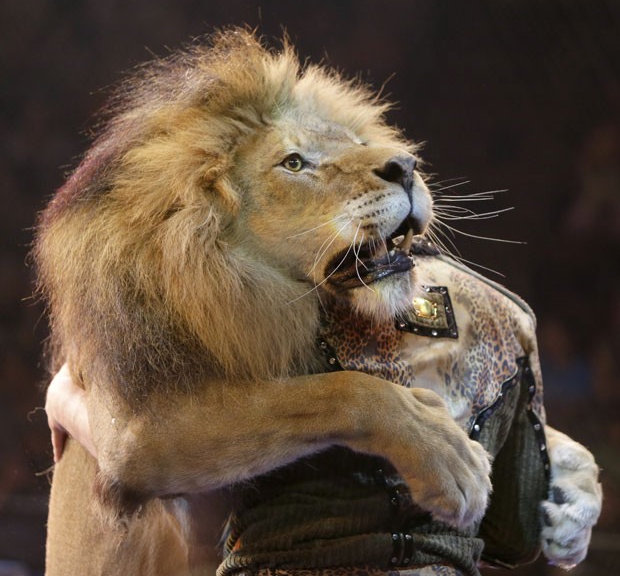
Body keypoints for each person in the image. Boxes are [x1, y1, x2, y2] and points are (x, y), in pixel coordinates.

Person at [45, 242, 603, 575]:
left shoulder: (266, 316)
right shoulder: (504, 315)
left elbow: (142, 454)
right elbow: (519, 533)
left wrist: (67, 400)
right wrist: (551, 459)